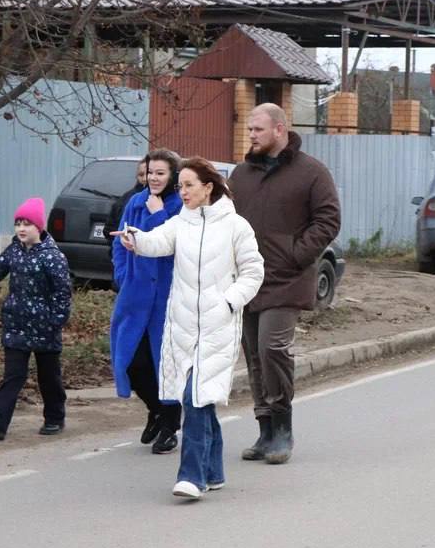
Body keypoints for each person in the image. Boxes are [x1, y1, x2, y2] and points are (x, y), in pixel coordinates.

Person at [114, 159, 264, 501]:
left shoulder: (235, 226)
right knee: (200, 398)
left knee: (194, 397)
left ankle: (192, 477)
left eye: (188, 185)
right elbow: (156, 242)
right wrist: (133, 239)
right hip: (182, 326)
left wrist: (229, 302)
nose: (182, 192)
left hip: (217, 327)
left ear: (208, 187)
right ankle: (214, 470)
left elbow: (254, 272)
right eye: (179, 186)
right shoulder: (180, 222)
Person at [228, 103, 340, 466]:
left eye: (257, 129)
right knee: (254, 355)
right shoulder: (241, 175)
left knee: (273, 348)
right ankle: (264, 431)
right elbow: (224, 221)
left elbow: (328, 219)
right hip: (246, 279)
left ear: (279, 129)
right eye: (249, 130)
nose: (251, 136)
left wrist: (296, 254)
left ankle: (284, 428)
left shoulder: (311, 172)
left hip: (287, 278)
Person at [0, 197, 72, 439]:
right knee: (13, 375)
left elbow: (63, 293)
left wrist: (57, 321)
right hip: (17, 325)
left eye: (27, 224)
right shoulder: (14, 251)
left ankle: (54, 416)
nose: (21, 228)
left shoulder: (53, 257)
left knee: (49, 377)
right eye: (18, 223)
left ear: (39, 227)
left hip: (45, 327)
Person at [110, 149, 184, 454]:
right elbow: (120, 242)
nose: (153, 179)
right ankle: (154, 408)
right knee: (131, 360)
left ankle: (169, 425)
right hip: (136, 294)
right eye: (150, 172)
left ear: (173, 177)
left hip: (167, 296)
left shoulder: (181, 206)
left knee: (165, 364)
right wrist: (122, 275)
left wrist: (159, 214)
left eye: (160, 173)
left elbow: (176, 243)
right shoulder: (135, 202)